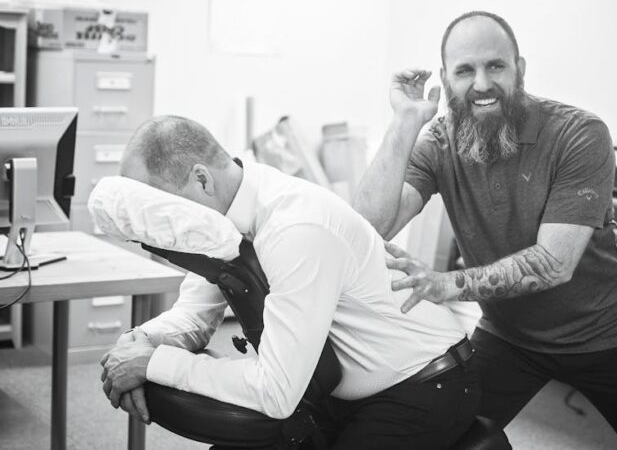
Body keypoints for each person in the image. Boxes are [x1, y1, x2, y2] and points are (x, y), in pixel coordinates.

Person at [353, 11, 617, 450]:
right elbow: (370, 225)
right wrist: (404, 122)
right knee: (458, 435)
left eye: (496, 66)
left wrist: (445, 284)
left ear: (519, 69)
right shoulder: (439, 140)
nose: (482, 83)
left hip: (603, 332)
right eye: (465, 70)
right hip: (509, 336)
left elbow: (553, 263)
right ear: (446, 80)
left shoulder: (578, 134)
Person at [99, 115, 480, 450]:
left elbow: (276, 391)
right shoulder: (217, 221)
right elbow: (193, 317)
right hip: (333, 386)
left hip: (426, 385)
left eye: (158, 206)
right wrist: (138, 344)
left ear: (201, 179)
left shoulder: (296, 229)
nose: (160, 223)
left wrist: (153, 363)